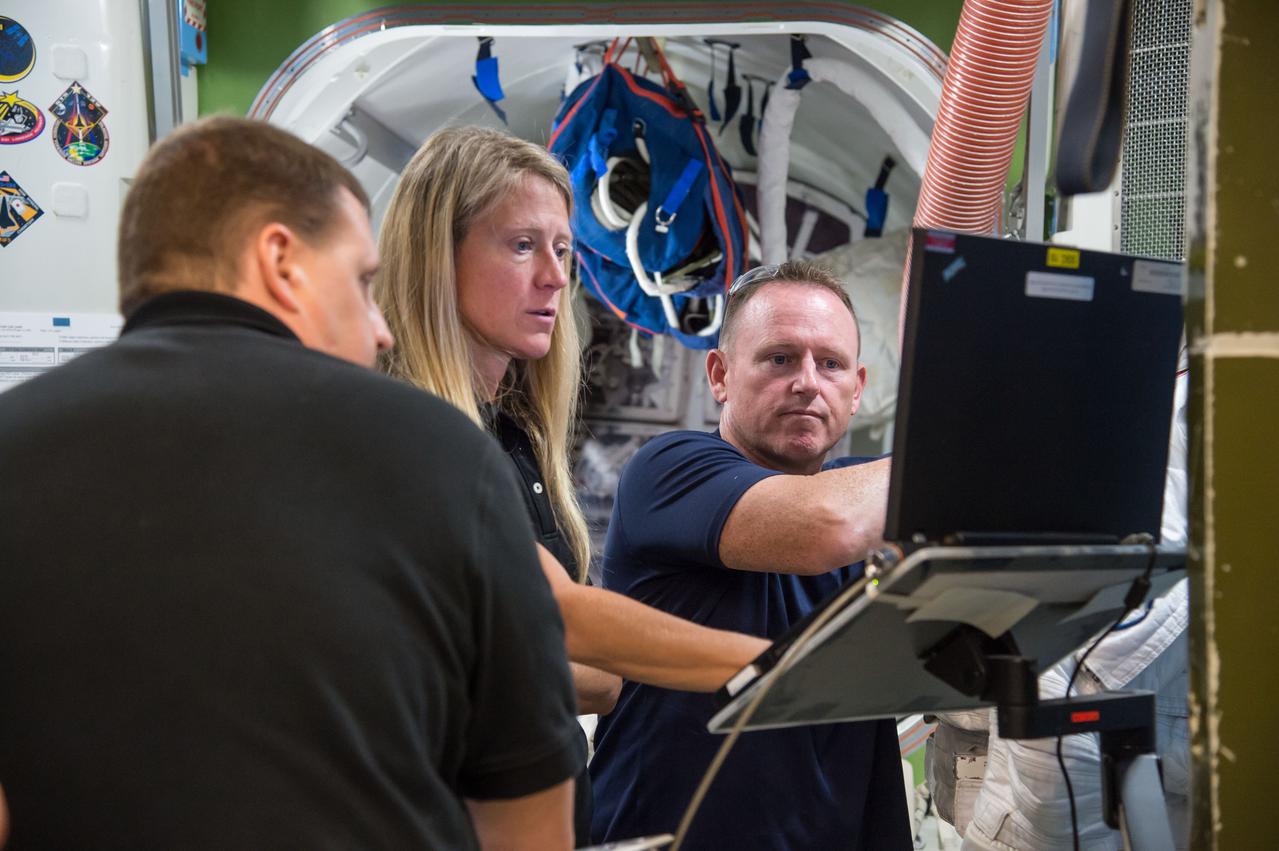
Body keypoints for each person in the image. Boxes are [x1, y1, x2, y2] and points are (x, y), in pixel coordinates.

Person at [0, 116, 583, 850]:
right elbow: (523, 797)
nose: (381, 327)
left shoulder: (14, 444)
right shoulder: (438, 450)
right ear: (280, 260)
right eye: (362, 281)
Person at [374, 125, 770, 845]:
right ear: (439, 254)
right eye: (522, 245)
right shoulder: (405, 429)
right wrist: (770, 669)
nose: (555, 276)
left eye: (561, 249)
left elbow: (588, 675)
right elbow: (557, 618)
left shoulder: (511, 438)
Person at [589, 260, 913, 849]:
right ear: (720, 374)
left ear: (859, 388)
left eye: (831, 364)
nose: (809, 382)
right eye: (780, 358)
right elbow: (825, 525)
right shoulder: (669, 471)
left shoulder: (867, 497)